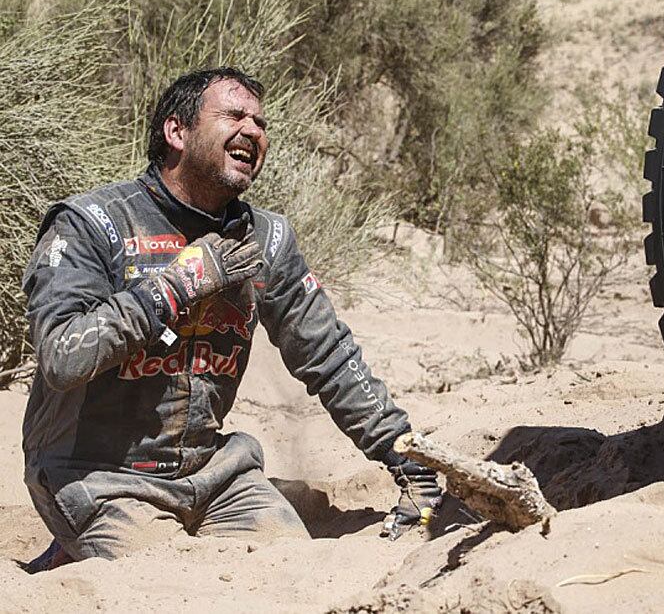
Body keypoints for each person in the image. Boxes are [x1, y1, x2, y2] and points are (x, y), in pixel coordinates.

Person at [20, 67, 442, 567]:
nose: (254, 132)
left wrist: (407, 459)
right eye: (235, 115)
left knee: (290, 566)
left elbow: (329, 354)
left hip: (214, 471)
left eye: (261, 123)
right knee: (163, 580)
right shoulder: (92, 224)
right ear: (177, 132)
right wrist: (173, 288)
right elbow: (61, 354)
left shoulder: (268, 239)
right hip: (99, 474)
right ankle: (70, 548)